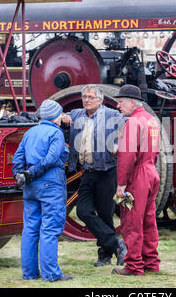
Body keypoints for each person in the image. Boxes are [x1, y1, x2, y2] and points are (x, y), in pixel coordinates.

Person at [61, 84, 127, 267]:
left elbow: (128, 127)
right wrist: (63, 117)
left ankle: (105, 255)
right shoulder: (76, 114)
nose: (87, 100)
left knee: (106, 214)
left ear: (100, 100)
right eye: (85, 97)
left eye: (91, 97)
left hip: (107, 172)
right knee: (83, 211)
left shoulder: (111, 115)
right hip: (87, 172)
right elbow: (56, 115)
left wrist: (117, 144)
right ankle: (117, 245)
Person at [12, 99, 72, 282]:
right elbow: (52, 159)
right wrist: (32, 173)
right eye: (60, 113)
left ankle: (29, 274)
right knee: (50, 229)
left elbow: (17, 160)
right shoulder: (56, 133)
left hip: (31, 187)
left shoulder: (30, 133)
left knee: (30, 229)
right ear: (55, 116)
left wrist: (22, 175)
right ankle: (51, 274)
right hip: (51, 185)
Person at [112, 84, 161, 276]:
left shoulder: (133, 122)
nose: (118, 106)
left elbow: (127, 156)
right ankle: (151, 262)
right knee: (149, 220)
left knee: (131, 221)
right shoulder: (152, 120)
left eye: (121, 102)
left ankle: (133, 266)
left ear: (133, 102)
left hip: (138, 175)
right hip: (151, 171)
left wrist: (121, 185)